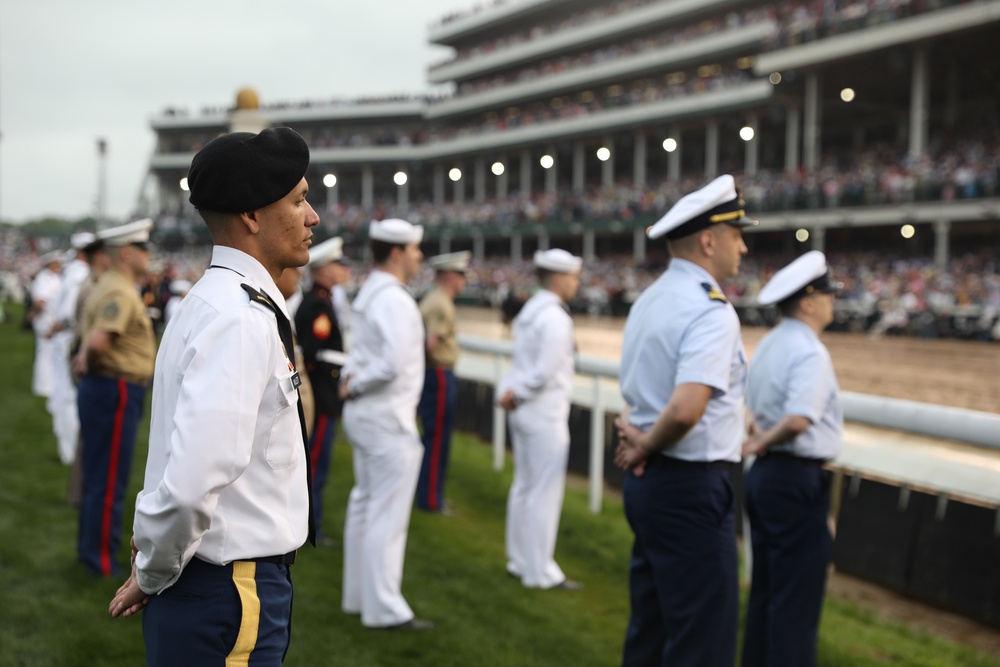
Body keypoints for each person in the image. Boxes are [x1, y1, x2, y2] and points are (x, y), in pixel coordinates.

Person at [108, 127, 319, 667]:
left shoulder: (219, 301)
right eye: (298, 200)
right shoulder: (239, 318)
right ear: (251, 215)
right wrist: (152, 571)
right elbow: (191, 484)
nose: (313, 216)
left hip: (215, 583)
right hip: (228, 588)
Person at [614, 174, 756, 666]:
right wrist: (646, 444)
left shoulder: (649, 300)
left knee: (650, 634)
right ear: (709, 241)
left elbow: (636, 394)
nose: (743, 246)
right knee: (702, 644)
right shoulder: (711, 310)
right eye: (736, 235)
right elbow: (684, 409)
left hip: (649, 483)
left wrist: (639, 441)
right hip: (690, 487)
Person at [741, 250, 844, 667]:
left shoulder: (769, 343)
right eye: (827, 295)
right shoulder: (810, 351)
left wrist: (759, 438)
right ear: (808, 302)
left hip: (767, 475)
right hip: (794, 477)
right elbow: (799, 419)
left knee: (766, 592)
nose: (833, 302)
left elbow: (750, 405)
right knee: (795, 603)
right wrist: (764, 439)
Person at [339, 218, 432, 630]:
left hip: (368, 415)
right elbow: (392, 364)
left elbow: (363, 354)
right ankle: (384, 609)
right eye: (414, 249)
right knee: (386, 516)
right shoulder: (394, 298)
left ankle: (359, 598)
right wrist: (357, 384)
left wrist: (352, 382)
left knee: (365, 506)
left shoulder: (371, 291)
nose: (419, 256)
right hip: (387, 417)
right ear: (396, 253)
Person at [497, 248, 583, 590]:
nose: (577, 284)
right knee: (544, 493)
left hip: (523, 411)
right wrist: (517, 393)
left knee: (524, 487)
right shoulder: (556, 317)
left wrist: (510, 392)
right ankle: (540, 571)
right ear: (559, 280)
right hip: (544, 412)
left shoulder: (530, 311)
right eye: (573, 278)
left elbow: (521, 365)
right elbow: (545, 372)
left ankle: (519, 560)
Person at [75, 219, 156, 578]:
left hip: (107, 387)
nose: (147, 255)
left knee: (99, 476)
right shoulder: (120, 290)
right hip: (115, 387)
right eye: (142, 248)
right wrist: (91, 363)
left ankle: (90, 553)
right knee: (108, 481)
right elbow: (98, 344)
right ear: (126, 253)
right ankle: (100, 562)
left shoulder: (111, 284)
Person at [296, 236, 350, 544]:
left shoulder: (320, 301)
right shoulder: (319, 305)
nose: (344, 270)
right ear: (325, 270)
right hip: (321, 395)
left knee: (317, 464)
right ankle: (309, 528)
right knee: (315, 465)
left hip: (324, 394)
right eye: (338, 265)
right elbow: (313, 357)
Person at [415, 250, 470, 514]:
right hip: (438, 374)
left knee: (434, 437)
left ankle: (429, 494)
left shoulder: (435, 298)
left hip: (434, 374)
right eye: (461, 274)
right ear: (450, 276)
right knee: (437, 440)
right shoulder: (441, 303)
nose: (464, 280)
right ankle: (430, 499)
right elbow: (430, 344)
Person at [48, 232, 96, 465]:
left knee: (64, 393)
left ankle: (67, 445)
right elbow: (69, 313)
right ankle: (70, 451)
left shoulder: (73, 272)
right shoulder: (81, 274)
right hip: (71, 339)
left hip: (65, 339)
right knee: (70, 396)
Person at [30, 250, 63, 400]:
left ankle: (49, 385)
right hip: (46, 321)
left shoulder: (54, 278)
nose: (58, 265)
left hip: (53, 320)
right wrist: (34, 314)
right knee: (45, 354)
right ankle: (43, 387)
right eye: (56, 263)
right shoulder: (43, 278)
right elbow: (39, 301)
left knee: (51, 354)